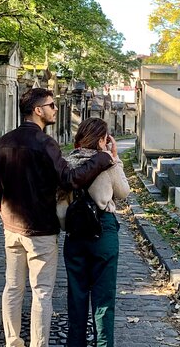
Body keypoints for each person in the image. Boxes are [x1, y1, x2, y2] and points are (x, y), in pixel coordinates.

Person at [0, 88, 115, 347]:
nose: (55, 109)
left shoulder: (4, 141)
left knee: (13, 288)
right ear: (38, 110)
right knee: (41, 292)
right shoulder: (45, 143)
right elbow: (70, 180)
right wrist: (103, 159)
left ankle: (13, 341)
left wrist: (4, 216)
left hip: (11, 228)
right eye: (51, 105)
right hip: (40, 231)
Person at [62, 118, 130, 347]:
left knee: (76, 297)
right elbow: (123, 192)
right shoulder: (107, 163)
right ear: (102, 140)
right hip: (104, 230)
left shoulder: (67, 163)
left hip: (75, 233)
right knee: (103, 300)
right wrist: (115, 157)